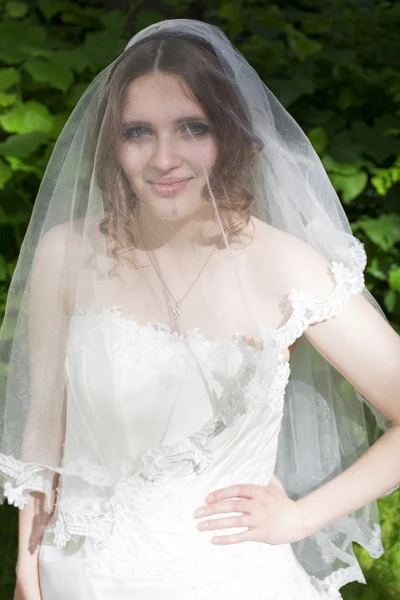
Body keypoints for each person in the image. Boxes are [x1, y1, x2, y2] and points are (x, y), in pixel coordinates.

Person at [1, 18, 399, 600]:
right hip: (78, 576)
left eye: (192, 128)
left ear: (229, 136)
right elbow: (44, 432)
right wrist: (26, 569)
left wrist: (299, 518)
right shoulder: (67, 253)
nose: (165, 158)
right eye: (139, 132)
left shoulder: (284, 267)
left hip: (225, 580)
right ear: (113, 144)